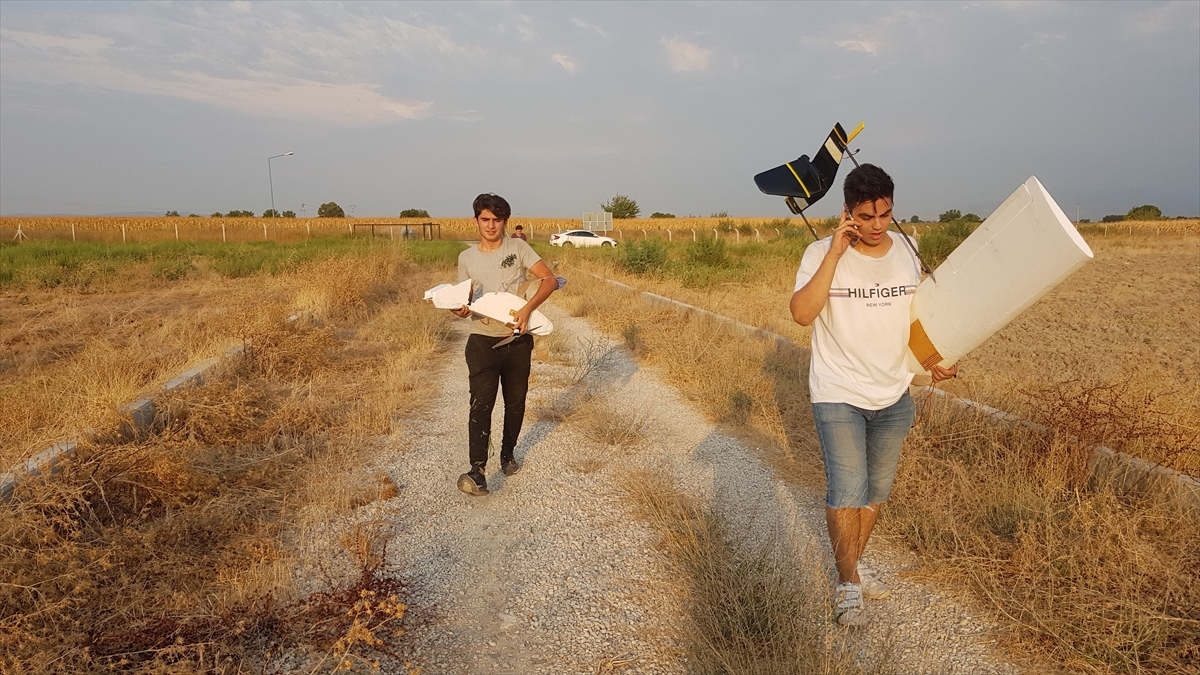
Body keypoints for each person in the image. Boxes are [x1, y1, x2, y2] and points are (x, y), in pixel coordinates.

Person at [789, 164, 957, 626]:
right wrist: (835, 256)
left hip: (894, 393)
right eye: (865, 216)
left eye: (884, 214)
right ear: (847, 213)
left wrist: (933, 359)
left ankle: (850, 573)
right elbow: (802, 315)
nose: (877, 226)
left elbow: (915, 319)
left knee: (875, 492)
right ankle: (847, 587)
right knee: (847, 489)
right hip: (838, 390)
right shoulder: (819, 253)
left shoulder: (908, 248)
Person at [450, 194, 556, 496]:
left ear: (505, 222)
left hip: (517, 342)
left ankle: (508, 454)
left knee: (516, 402)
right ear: (476, 221)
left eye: (497, 220)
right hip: (481, 341)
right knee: (480, 405)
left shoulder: (518, 247)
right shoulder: (466, 258)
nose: (491, 225)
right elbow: (464, 299)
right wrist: (457, 308)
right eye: (485, 219)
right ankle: (477, 470)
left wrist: (527, 309)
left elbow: (549, 280)